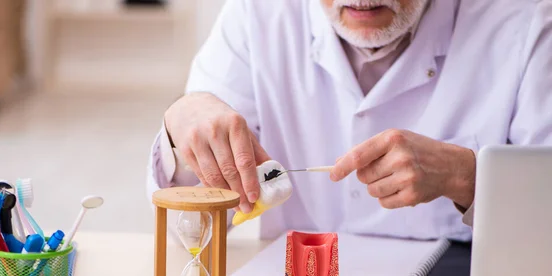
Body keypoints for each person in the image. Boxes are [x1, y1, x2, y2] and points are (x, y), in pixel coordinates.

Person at [147, 0, 552, 241]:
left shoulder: (525, 23)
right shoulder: (258, 14)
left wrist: (469, 176)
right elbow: (191, 230)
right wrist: (183, 124)